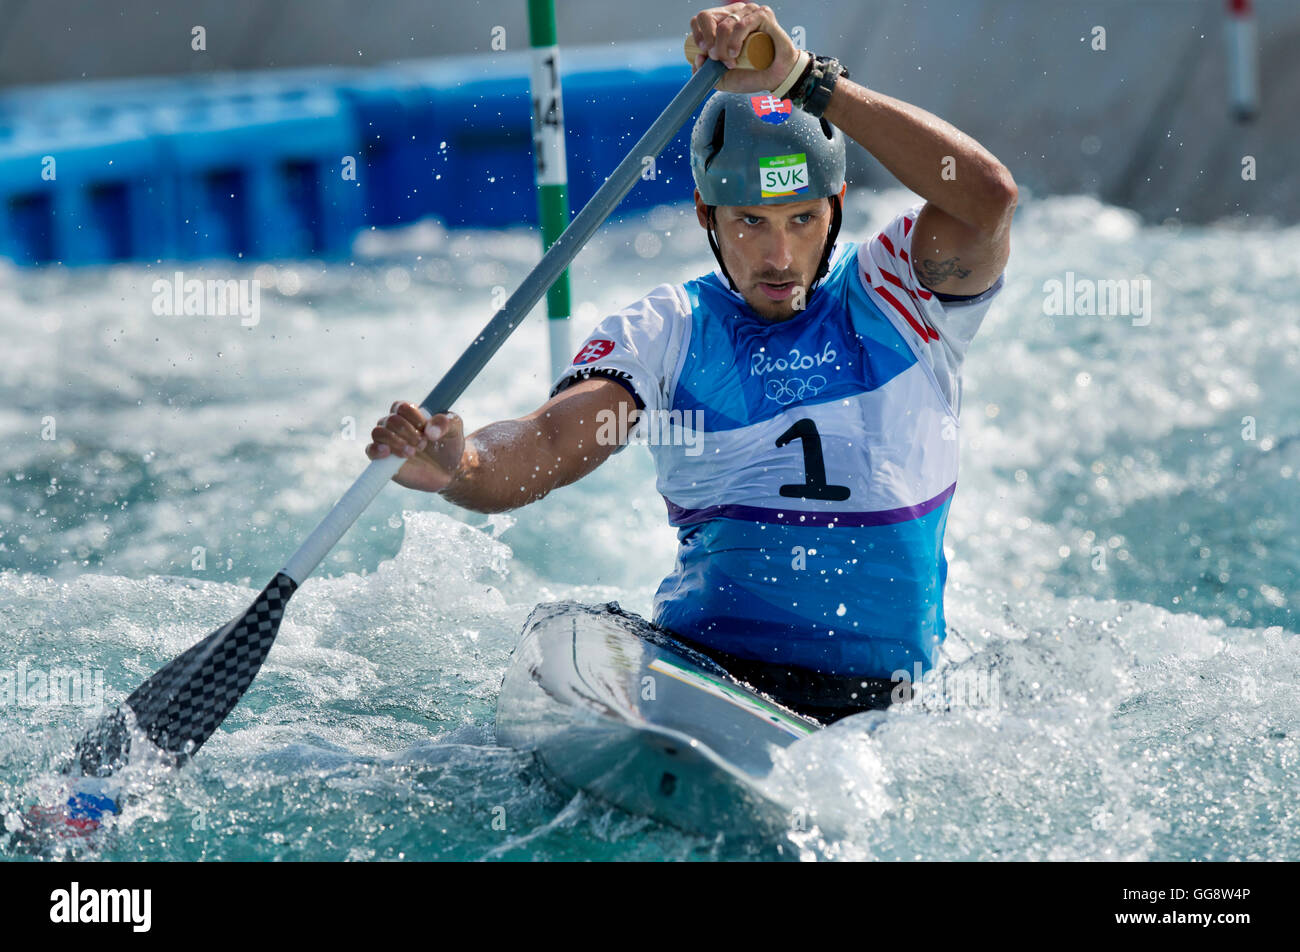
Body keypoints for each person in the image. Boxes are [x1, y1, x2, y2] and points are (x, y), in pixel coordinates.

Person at [367, 3, 1017, 724]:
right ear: (707, 216)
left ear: (836, 207)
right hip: (716, 679)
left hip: (890, 703)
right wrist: (462, 469)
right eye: (750, 223)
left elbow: (989, 198)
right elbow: (551, 441)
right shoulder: (668, 329)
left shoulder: (901, 293)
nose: (778, 258)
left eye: (802, 220)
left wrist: (804, 79)